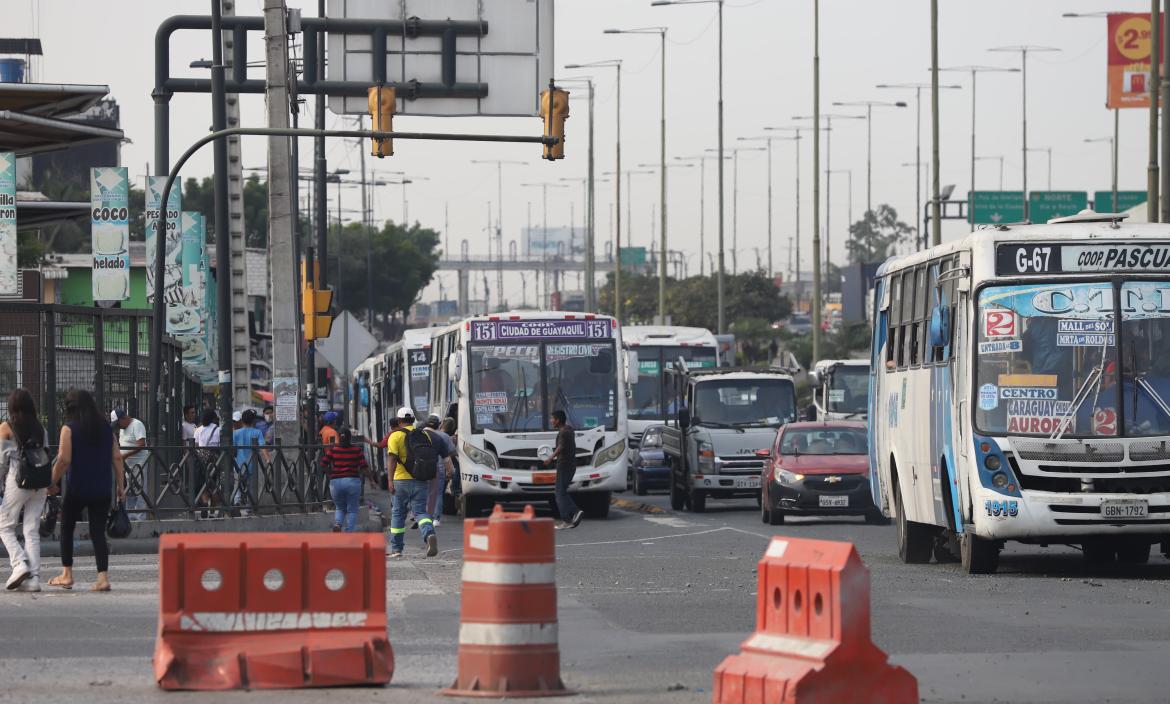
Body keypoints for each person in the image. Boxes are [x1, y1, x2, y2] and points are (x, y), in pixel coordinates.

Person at [50, 389, 126, 591]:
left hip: (77, 488)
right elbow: (117, 458)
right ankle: (103, 578)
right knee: (98, 532)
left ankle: (67, 574)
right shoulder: (105, 428)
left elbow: (64, 460)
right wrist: (121, 486)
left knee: (67, 527)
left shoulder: (69, 428)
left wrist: (51, 481)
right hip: (102, 489)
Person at [0, 388, 49, 591]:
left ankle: (19, 563)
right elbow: (46, 454)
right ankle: (34, 579)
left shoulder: (6, 427)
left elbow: (1, 462)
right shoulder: (40, 428)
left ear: (12, 407)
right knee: (31, 530)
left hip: (18, 480)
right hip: (40, 482)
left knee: (4, 525)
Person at [386, 407, 438, 559]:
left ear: (399, 420)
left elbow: (392, 459)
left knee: (398, 513)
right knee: (420, 512)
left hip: (400, 480)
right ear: (413, 419)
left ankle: (396, 549)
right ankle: (429, 533)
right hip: (420, 479)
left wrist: (389, 480)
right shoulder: (424, 435)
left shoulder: (394, 436)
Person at [323, 427, 370, 532]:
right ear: (350, 438)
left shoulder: (333, 450)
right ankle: (349, 532)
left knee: (340, 507)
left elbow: (324, 463)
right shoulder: (357, 450)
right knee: (352, 510)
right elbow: (364, 467)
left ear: (339, 439)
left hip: (336, 483)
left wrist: (330, 475)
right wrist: (371, 480)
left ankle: (338, 524)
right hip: (352, 482)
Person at [544, 409, 583, 530]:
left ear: (558, 420)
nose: (551, 421)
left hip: (564, 466)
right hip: (570, 465)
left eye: (552, 419)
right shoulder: (569, 429)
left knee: (559, 494)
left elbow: (561, 446)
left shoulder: (563, 432)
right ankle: (573, 514)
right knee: (562, 492)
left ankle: (569, 518)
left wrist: (550, 458)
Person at [111, 408, 149, 519]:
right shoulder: (122, 428)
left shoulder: (137, 425)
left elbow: (141, 444)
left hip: (139, 464)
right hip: (127, 465)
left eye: (118, 424)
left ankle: (140, 518)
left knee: (140, 491)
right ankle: (130, 517)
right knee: (129, 492)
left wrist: (125, 455)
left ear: (124, 418)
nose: (118, 427)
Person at [231, 409, 269, 513]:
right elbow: (263, 446)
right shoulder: (257, 432)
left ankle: (237, 501)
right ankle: (249, 507)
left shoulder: (236, 433)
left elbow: (232, 448)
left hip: (239, 464)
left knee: (237, 483)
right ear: (253, 421)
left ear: (242, 420)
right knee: (251, 486)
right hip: (253, 465)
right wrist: (268, 459)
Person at [423, 414, 456, 526]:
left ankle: (425, 517)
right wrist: (451, 471)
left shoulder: (421, 434)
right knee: (438, 494)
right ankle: (436, 519)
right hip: (439, 469)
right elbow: (451, 453)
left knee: (425, 492)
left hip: (423, 468)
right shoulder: (444, 437)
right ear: (438, 424)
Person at [193, 409, 222, 517]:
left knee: (203, 484)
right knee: (214, 483)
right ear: (214, 419)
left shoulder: (198, 429)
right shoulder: (218, 430)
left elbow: (195, 446)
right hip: (215, 460)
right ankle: (212, 510)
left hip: (202, 459)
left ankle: (205, 503)